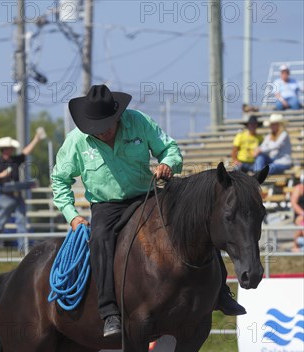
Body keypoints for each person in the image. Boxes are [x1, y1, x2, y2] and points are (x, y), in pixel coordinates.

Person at [51, 85, 245, 338]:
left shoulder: (139, 123)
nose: (103, 132)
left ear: (117, 116)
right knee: (100, 239)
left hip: (148, 195)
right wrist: (73, 216)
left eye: (107, 124)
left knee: (194, 225)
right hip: (107, 206)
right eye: (96, 128)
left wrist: (167, 164)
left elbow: (170, 149)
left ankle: (221, 293)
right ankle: (109, 311)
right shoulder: (76, 141)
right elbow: (59, 180)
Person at [0, 128, 46, 254]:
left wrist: (36, 139)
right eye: (10, 148)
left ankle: (23, 247)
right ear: (5, 149)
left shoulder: (14, 160)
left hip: (17, 196)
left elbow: (25, 152)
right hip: (6, 197)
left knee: (21, 222)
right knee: (1, 221)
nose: (12, 150)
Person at [290, 181, 304, 252]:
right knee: (301, 222)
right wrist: (302, 213)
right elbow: (294, 203)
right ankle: (295, 245)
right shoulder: (298, 188)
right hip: (300, 215)